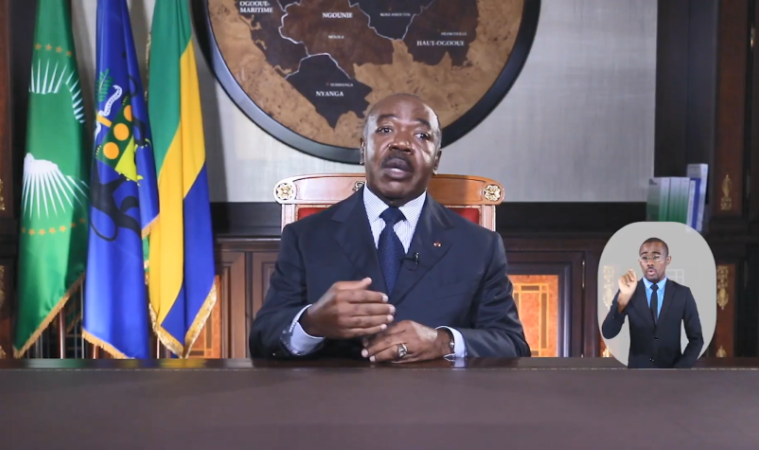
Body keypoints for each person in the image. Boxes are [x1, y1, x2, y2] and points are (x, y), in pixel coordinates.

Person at [249, 93, 530, 362]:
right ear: (363, 149)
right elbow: (263, 340)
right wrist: (312, 324)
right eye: (385, 130)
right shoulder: (305, 237)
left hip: (437, 394)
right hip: (337, 393)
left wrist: (443, 342)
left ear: (436, 160)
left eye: (421, 135)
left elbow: (512, 344)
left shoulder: (480, 246)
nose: (401, 143)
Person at [602, 237, 703, 368]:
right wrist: (623, 300)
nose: (650, 262)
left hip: (672, 374)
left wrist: (679, 370)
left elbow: (696, 339)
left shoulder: (682, 294)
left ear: (668, 260)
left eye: (656, 257)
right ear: (639, 262)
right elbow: (608, 332)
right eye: (645, 258)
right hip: (637, 374)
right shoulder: (628, 291)